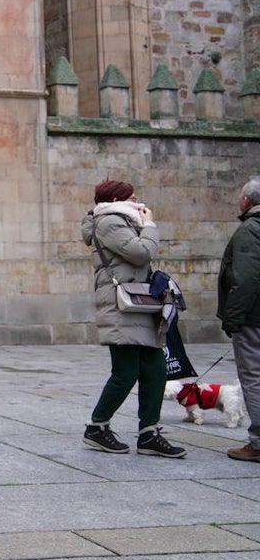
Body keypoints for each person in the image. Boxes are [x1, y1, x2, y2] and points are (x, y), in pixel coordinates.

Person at [81, 179, 185, 458]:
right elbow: (141, 253)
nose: (138, 202)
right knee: (125, 372)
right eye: (132, 197)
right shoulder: (108, 222)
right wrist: (149, 225)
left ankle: (148, 432)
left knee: (155, 369)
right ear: (116, 201)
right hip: (122, 307)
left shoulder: (122, 221)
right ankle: (97, 427)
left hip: (139, 306)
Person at [216, 175, 260, 463]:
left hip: (254, 318)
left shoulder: (251, 230)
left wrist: (233, 318)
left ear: (247, 201)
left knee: (254, 376)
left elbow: (245, 279)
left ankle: (258, 442)